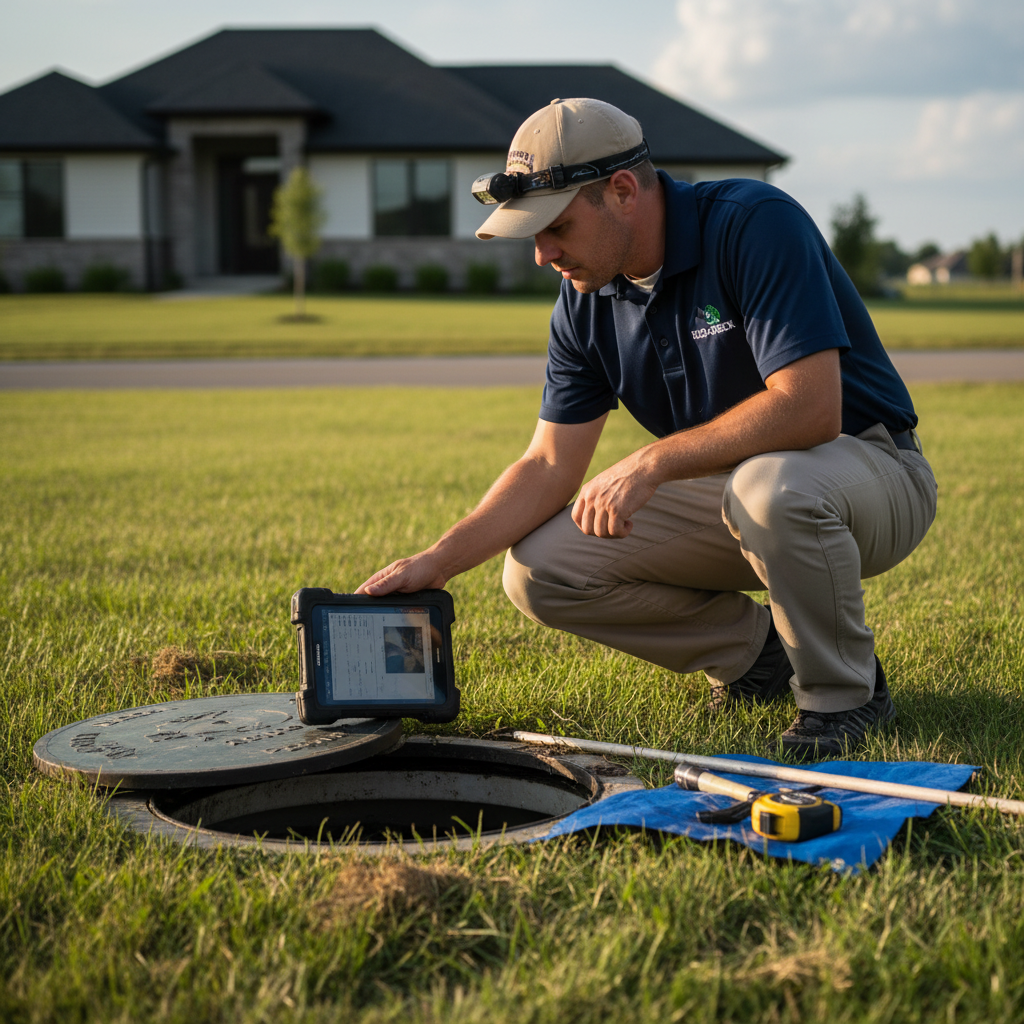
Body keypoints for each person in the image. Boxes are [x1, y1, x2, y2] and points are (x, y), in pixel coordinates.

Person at [357, 97, 937, 760]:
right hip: (738, 496)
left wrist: (653, 462)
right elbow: (548, 464)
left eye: (558, 227)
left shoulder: (754, 223)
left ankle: (846, 697)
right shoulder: (583, 301)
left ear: (623, 190)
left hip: (868, 471)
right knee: (539, 570)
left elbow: (811, 408)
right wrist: (438, 561)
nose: (544, 255)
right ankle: (757, 656)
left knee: (769, 488)